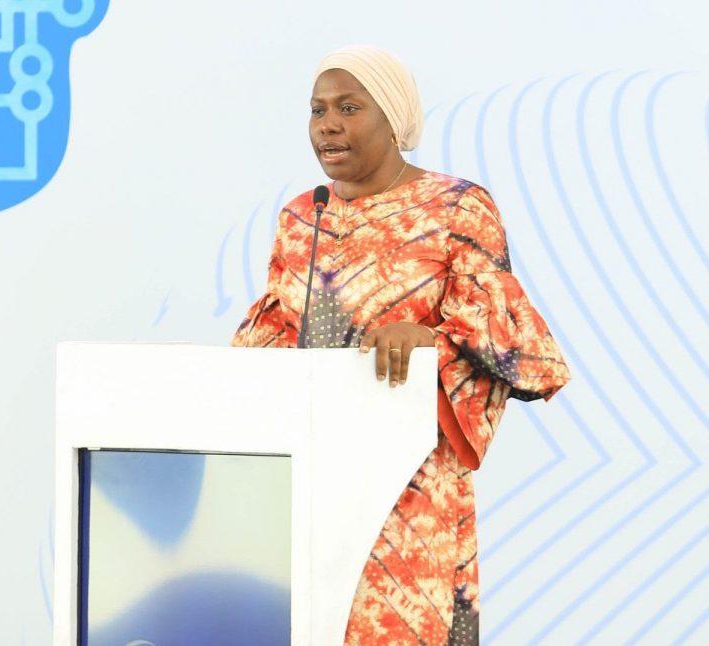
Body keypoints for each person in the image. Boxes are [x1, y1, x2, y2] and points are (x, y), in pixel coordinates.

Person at [230, 44, 571, 645]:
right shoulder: (299, 219)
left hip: (408, 496)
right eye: (317, 110)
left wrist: (430, 340)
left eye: (349, 107)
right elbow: (273, 340)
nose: (327, 124)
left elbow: (520, 351)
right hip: (308, 483)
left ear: (393, 120)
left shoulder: (457, 207)